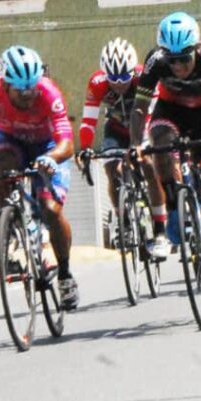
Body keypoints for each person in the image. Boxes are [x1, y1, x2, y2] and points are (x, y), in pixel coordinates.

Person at [130, 12, 201, 300]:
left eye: (184, 58)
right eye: (173, 59)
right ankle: (173, 208)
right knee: (160, 147)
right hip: (171, 112)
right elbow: (139, 108)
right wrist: (135, 143)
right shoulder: (156, 61)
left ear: (195, 49)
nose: (178, 66)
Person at [0, 45, 79, 309]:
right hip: (11, 142)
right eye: (20, 90)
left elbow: (67, 143)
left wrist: (51, 158)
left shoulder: (48, 93)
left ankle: (65, 275)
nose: (27, 94)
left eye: (31, 87)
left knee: (50, 209)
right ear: (5, 84)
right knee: (1, 166)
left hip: (47, 147)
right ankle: (7, 231)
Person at [77, 38, 153, 255]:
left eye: (124, 77)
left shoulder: (142, 76)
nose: (119, 83)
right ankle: (123, 219)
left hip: (142, 126)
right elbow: (89, 121)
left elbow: (153, 113)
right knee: (112, 170)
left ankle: (152, 201)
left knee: (146, 160)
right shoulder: (97, 83)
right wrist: (84, 148)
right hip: (116, 129)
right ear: (105, 74)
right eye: (113, 78)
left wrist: (142, 143)